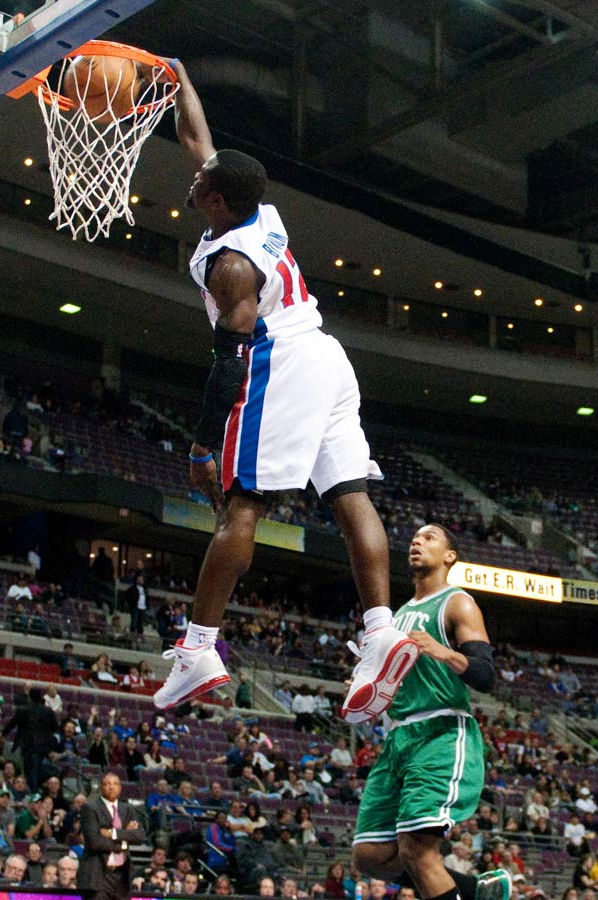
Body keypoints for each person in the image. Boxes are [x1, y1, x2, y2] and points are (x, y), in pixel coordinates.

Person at [151, 58, 415, 723]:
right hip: (329, 357)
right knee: (350, 495)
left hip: (281, 365)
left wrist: (203, 443)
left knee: (240, 506)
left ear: (215, 199)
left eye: (201, 181)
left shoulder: (231, 266)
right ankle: (381, 631)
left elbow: (230, 356)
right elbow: (197, 140)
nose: (194, 174)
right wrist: (182, 81)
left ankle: (200, 651)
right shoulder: (254, 206)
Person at [351, 525, 510, 900]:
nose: (417, 542)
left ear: (450, 556)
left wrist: (446, 652)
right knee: (369, 856)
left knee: (416, 850)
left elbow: (486, 675)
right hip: (399, 738)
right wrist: (366, 687)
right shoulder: (399, 616)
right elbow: (394, 681)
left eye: (429, 538)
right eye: (415, 538)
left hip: (440, 732)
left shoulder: (458, 603)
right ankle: (477, 891)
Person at [79, 773, 147, 900]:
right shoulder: (90, 808)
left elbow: (140, 835)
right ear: (101, 787)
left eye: (115, 784)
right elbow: (95, 842)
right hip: (98, 875)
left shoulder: (127, 809)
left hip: (121, 876)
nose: (112, 787)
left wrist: (114, 833)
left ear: (120, 788)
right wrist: (124, 842)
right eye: (107, 784)